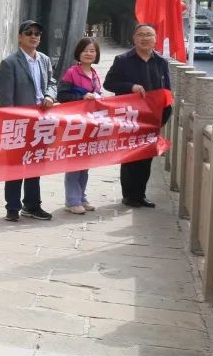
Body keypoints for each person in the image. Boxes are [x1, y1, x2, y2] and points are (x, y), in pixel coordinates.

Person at [103, 23, 172, 208]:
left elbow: (167, 90)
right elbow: (109, 83)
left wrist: (164, 116)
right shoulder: (123, 60)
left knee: (146, 159)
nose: (145, 38)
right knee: (130, 158)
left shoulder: (161, 62)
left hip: (151, 119)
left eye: (149, 35)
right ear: (134, 38)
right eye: (141, 35)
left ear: (155, 39)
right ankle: (129, 196)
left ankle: (140, 195)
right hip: (129, 118)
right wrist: (130, 87)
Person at [0, 20, 57, 222]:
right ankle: (12, 207)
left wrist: (49, 95)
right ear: (20, 37)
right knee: (15, 165)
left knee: (35, 163)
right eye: (29, 32)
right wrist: (11, 122)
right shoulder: (10, 63)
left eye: (37, 34)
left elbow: (52, 82)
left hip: (41, 121)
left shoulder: (45, 60)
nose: (34, 36)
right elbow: (6, 98)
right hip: (19, 123)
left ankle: (32, 205)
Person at [57, 37, 104, 214]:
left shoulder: (95, 73)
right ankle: (72, 200)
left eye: (92, 51)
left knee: (85, 163)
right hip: (75, 124)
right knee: (74, 163)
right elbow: (62, 96)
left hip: (91, 124)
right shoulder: (71, 72)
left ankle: (82, 197)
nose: (89, 54)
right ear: (79, 52)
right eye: (85, 50)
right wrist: (82, 97)